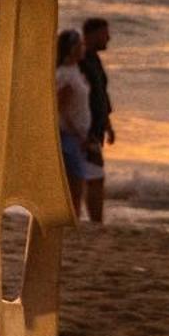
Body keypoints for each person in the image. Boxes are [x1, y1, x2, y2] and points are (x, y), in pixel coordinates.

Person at [80, 16, 117, 224]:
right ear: (92, 35)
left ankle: (94, 219)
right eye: (105, 34)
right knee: (94, 176)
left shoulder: (94, 59)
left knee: (90, 175)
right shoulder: (82, 59)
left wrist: (108, 125)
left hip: (95, 127)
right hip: (85, 129)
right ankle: (95, 221)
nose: (109, 38)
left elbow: (102, 94)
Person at [54, 29, 92, 220]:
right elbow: (59, 107)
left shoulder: (74, 72)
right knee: (75, 183)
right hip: (68, 136)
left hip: (74, 135)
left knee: (77, 182)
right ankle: (72, 219)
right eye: (79, 46)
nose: (83, 48)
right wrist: (78, 132)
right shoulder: (65, 75)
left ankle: (73, 218)